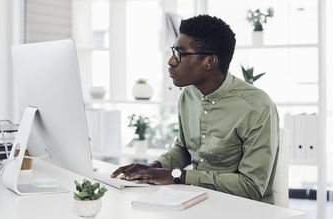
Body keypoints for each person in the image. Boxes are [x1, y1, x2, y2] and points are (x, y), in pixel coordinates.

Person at [111, 14, 279, 204]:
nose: (171, 61)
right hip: (198, 201)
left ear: (210, 61)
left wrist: (178, 176)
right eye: (174, 51)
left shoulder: (257, 107)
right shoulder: (188, 95)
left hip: (242, 209)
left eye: (180, 54)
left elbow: (252, 186)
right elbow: (184, 149)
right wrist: (153, 167)